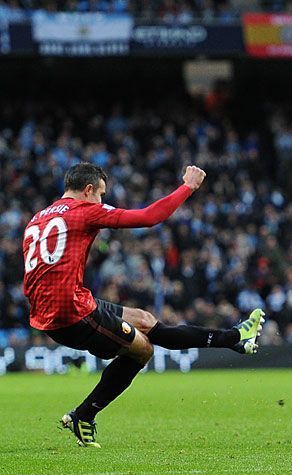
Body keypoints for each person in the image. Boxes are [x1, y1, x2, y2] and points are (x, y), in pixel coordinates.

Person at [22, 163, 265, 448]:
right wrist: (188, 187)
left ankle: (234, 339)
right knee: (142, 350)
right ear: (88, 190)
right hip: (72, 313)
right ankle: (85, 414)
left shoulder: (37, 218)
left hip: (51, 307)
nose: (102, 200)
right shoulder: (85, 211)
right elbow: (150, 217)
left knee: (145, 320)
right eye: (100, 194)